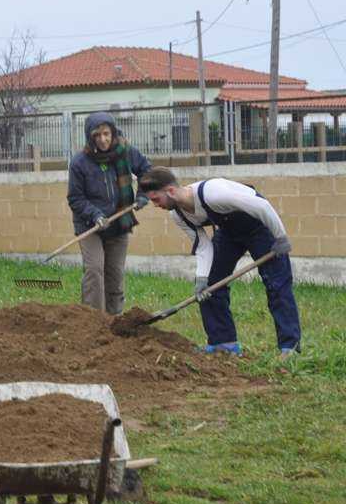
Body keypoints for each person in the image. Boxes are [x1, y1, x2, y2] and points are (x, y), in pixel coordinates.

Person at [138, 166, 301, 358]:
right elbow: (203, 246)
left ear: (171, 191)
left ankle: (290, 347)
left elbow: (261, 206)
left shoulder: (214, 193)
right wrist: (202, 279)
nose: (156, 205)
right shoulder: (178, 214)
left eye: (156, 199)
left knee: (276, 285)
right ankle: (223, 343)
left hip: (260, 227)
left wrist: (280, 237)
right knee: (211, 287)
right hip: (228, 233)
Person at [66, 112, 152, 315]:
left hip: (119, 222)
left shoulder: (126, 152)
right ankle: (93, 320)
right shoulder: (80, 162)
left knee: (115, 273)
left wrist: (142, 195)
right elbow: (75, 198)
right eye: (97, 135)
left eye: (106, 134)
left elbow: (147, 171)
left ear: (113, 133)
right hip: (91, 226)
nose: (103, 139)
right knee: (95, 270)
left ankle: (114, 320)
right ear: (90, 137)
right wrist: (95, 215)